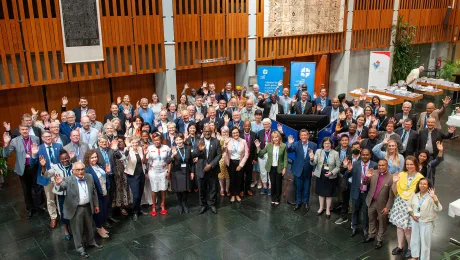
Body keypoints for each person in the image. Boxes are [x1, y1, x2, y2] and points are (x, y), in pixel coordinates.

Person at [54, 162, 103, 258]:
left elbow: (93, 192)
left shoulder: (89, 177)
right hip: (75, 209)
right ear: (73, 171)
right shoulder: (68, 180)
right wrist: (58, 183)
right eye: (78, 170)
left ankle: (91, 242)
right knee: (77, 230)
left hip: (88, 206)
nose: (80, 171)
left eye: (82, 169)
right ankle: (80, 249)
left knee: (89, 226)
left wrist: (96, 205)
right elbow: (61, 188)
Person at [3, 125, 43, 219]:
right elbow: (6, 154)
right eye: (22, 129)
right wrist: (6, 144)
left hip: (35, 166)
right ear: (20, 131)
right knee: (26, 189)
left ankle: (40, 206)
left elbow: (39, 151)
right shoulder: (15, 141)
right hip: (23, 168)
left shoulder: (35, 138)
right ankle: (30, 209)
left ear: (29, 130)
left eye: (26, 129)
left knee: (38, 188)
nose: (25, 131)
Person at [389, 156, 424, 258]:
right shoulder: (401, 174)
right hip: (400, 203)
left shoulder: (420, 177)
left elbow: (421, 194)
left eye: (411, 164)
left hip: (411, 205)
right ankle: (400, 246)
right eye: (407, 164)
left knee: (408, 229)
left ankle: (410, 247)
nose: (409, 166)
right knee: (399, 226)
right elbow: (394, 190)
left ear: (416, 165)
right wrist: (395, 182)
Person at [40, 150, 73, 240]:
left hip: (73, 193)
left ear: (69, 158)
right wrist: (43, 167)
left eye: (66, 158)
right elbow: (46, 174)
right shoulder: (55, 167)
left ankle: (74, 227)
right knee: (63, 212)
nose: (65, 160)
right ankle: (66, 229)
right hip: (62, 194)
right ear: (59, 160)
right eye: (63, 159)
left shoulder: (74, 166)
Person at [363, 159, 395, 249]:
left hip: (382, 205)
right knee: (371, 219)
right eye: (379, 165)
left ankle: (380, 239)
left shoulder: (391, 178)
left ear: (387, 166)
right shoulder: (373, 172)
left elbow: (391, 196)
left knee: (382, 222)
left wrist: (388, 207)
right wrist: (366, 177)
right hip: (371, 201)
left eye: (383, 165)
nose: (381, 167)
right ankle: (371, 235)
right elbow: (365, 183)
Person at [408, 178, 442, 260]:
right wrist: (412, 215)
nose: (422, 185)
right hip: (415, 220)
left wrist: (434, 199)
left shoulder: (431, 196)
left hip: (426, 222)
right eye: (420, 183)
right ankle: (415, 256)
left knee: (425, 242)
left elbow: (439, 208)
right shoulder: (414, 194)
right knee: (414, 239)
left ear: (428, 186)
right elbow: (409, 206)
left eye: (424, 184)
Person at [345, 149, 377, 237]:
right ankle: (354, 227)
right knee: (355, 210)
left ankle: (364, 228)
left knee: (365, 211)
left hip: (368, 192)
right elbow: (346, 176)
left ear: (370, 155)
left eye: (367, 155)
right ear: (361, 155)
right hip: (357, 191)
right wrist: (348, 170)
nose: (365, 156)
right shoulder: (355, 164)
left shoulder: (374, 165)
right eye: (363, 155)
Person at [36, 131, 63, 228]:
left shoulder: (58, 146)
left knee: (60, 196)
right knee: (50, 198)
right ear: (42, 138)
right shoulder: (39, 149)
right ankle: (53, 217)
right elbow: (33, 162)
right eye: (45, 136)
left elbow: (63, 159)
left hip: (58, 175)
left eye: (49, 136)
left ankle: (62, 215)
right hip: (46, 175)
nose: (48, 138)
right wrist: (34, 155)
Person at [255, 130, 288, 207]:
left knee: (278, 184)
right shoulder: (269, 145)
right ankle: (273, 198)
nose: (275, 139)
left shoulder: (283, 146)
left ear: (279, 137)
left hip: (279, 168)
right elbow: (261, 154)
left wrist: (285, 168)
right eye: (273, 137)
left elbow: (285, 158)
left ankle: (278, 199)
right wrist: (258, 147)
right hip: (271, 168)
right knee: (273, 184)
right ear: (272, 139)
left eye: (276, 137)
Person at [194, 125, 222, 214]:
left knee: (213, 188)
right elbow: (194, 154)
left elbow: (219, 155)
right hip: (201, 169)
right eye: (205, 131)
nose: (207, 133)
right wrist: (200, 150)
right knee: (201, 189)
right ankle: (203, 205)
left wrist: (210, 165)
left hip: (212, 169)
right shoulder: (198, 141)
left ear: (211, 132)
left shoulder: (216, 141)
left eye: (209, 131)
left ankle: (212, 204)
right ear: (203, 132)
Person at [287, 129, 317, 211]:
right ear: (300, 136)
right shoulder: (296, 144)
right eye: (302, 135)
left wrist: (314, 169)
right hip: (298, 170)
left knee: (307, 188)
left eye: (305, 135)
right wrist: (289, 143)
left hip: (308, 169)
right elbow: (288, 150)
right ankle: (298, 203)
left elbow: (315, 159)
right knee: (298, 188)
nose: (303, 137)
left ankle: (306, 203)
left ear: (308, 136)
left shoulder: (313, 145)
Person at [84, 149, 111, 238]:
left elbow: (103, 176)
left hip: (104, 191)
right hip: (96, 194)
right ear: (88, 158)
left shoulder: (99, 165)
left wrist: (107, 172)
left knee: (104, 211)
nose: (94, 159)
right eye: (92, 158)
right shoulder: (87, 170)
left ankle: (101, 227)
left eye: (95, 157)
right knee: (98, 212)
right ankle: (99, 228)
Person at [146, 133, 171, 216]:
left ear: (161, 140)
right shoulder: (149, 148)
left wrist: (169, 171)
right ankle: (154, 206)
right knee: (154, 189)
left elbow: (169, 160)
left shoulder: (166, 148)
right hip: (153, 171)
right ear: (152, 141)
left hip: (163, 171)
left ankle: (162, 205)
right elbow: (145, 162)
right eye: (155, 140)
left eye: (158, 140)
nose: (157, 141)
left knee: (163, 189)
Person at [121, 137, 146, 220]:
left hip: (141, 174)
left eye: (136, 142)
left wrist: (145, 154)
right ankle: (134, 212)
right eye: (133, 143)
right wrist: (128, 148)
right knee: (135, 195)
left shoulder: (140, 148)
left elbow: (143, 161)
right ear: (130, 143)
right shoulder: (127, 149)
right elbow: (124, 157)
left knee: (140, 193)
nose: (135, 144)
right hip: (132, 175)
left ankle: (139, 210)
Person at [95, 136, 118, 224]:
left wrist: (115, 149)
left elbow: (119, 157)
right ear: (98, 143)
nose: (104, 143)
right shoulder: (95, 152)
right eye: (102, 142)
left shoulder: (111, 150)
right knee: (104, 199)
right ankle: (104, 220)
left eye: (105, 142)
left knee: (111, 197)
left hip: (111, 177)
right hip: (102, 178)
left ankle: (109, 216)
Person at [170, 133, 194, 214]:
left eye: (180, 139)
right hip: (177, 172)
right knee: (178, 190)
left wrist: (192, 172)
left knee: (185, 189)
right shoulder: (173, 149)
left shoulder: (188, 148)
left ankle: (184, 204)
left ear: (183, 139)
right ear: (175, 141)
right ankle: (180, 204)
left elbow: (191, 162)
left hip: (186, 171)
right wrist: (172, 155)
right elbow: (167, 161)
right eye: (177, 140)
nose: (179, 141)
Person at [224, 127, 249, 203]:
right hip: (230, 162)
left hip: (239, 162)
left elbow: (246, 154)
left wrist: (241, 165)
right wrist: (224, 145)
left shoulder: (243, 141)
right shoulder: (228, 141)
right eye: (234, 133)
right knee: (232, 179)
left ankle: (237, 194)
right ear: (231, 134)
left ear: (239, 133)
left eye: (237, 132)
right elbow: (224, 152)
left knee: (239, 179)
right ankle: (232, 195)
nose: (235, 134)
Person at [240, 120, 257, 197]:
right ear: (243, 126)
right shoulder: (239, 133)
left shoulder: (254, 134)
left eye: (249, 125)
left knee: (249, 175)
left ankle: (248, 189)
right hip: (241, 158)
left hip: (250, 158)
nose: (247, 127)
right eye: (246, 125)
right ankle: (241, 190)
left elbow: (256, 147)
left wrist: (255, 158)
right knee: (241, 174)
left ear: (250, 126)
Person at [217, 126, 230, 196]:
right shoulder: (218, 140)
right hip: (221, 158)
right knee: (221, 174)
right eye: (223, 132)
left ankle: (227, 189)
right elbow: (218, 151)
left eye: (225, 132)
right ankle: (222, 189)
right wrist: (223, 147)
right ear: (221, 133)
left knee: (228, 175)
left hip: (229, 158)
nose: (224, 133)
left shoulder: (231, 139)